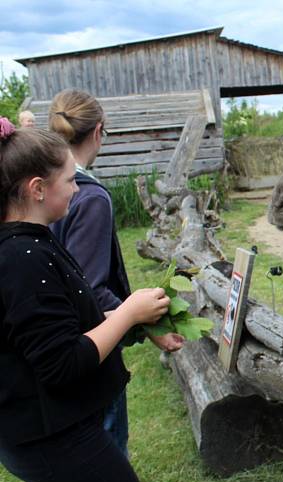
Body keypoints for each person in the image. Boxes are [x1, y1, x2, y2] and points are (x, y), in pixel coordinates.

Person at [0, 117, 170, 482]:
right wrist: (128, 311)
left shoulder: (29, 245)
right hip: (57, 438)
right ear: (37, 189)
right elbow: (62, 363)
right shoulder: (24, 259)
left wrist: (133, 321)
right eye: (70, 181)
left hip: (37, 437)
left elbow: (59, 327)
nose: (77, 189)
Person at [48, 89, 183, 459]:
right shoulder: (90, 197)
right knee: (105, 463)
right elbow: (89, 288)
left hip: (57, 351)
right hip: (92, 352)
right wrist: (145, 323)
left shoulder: (37, 189)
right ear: (98, 131)